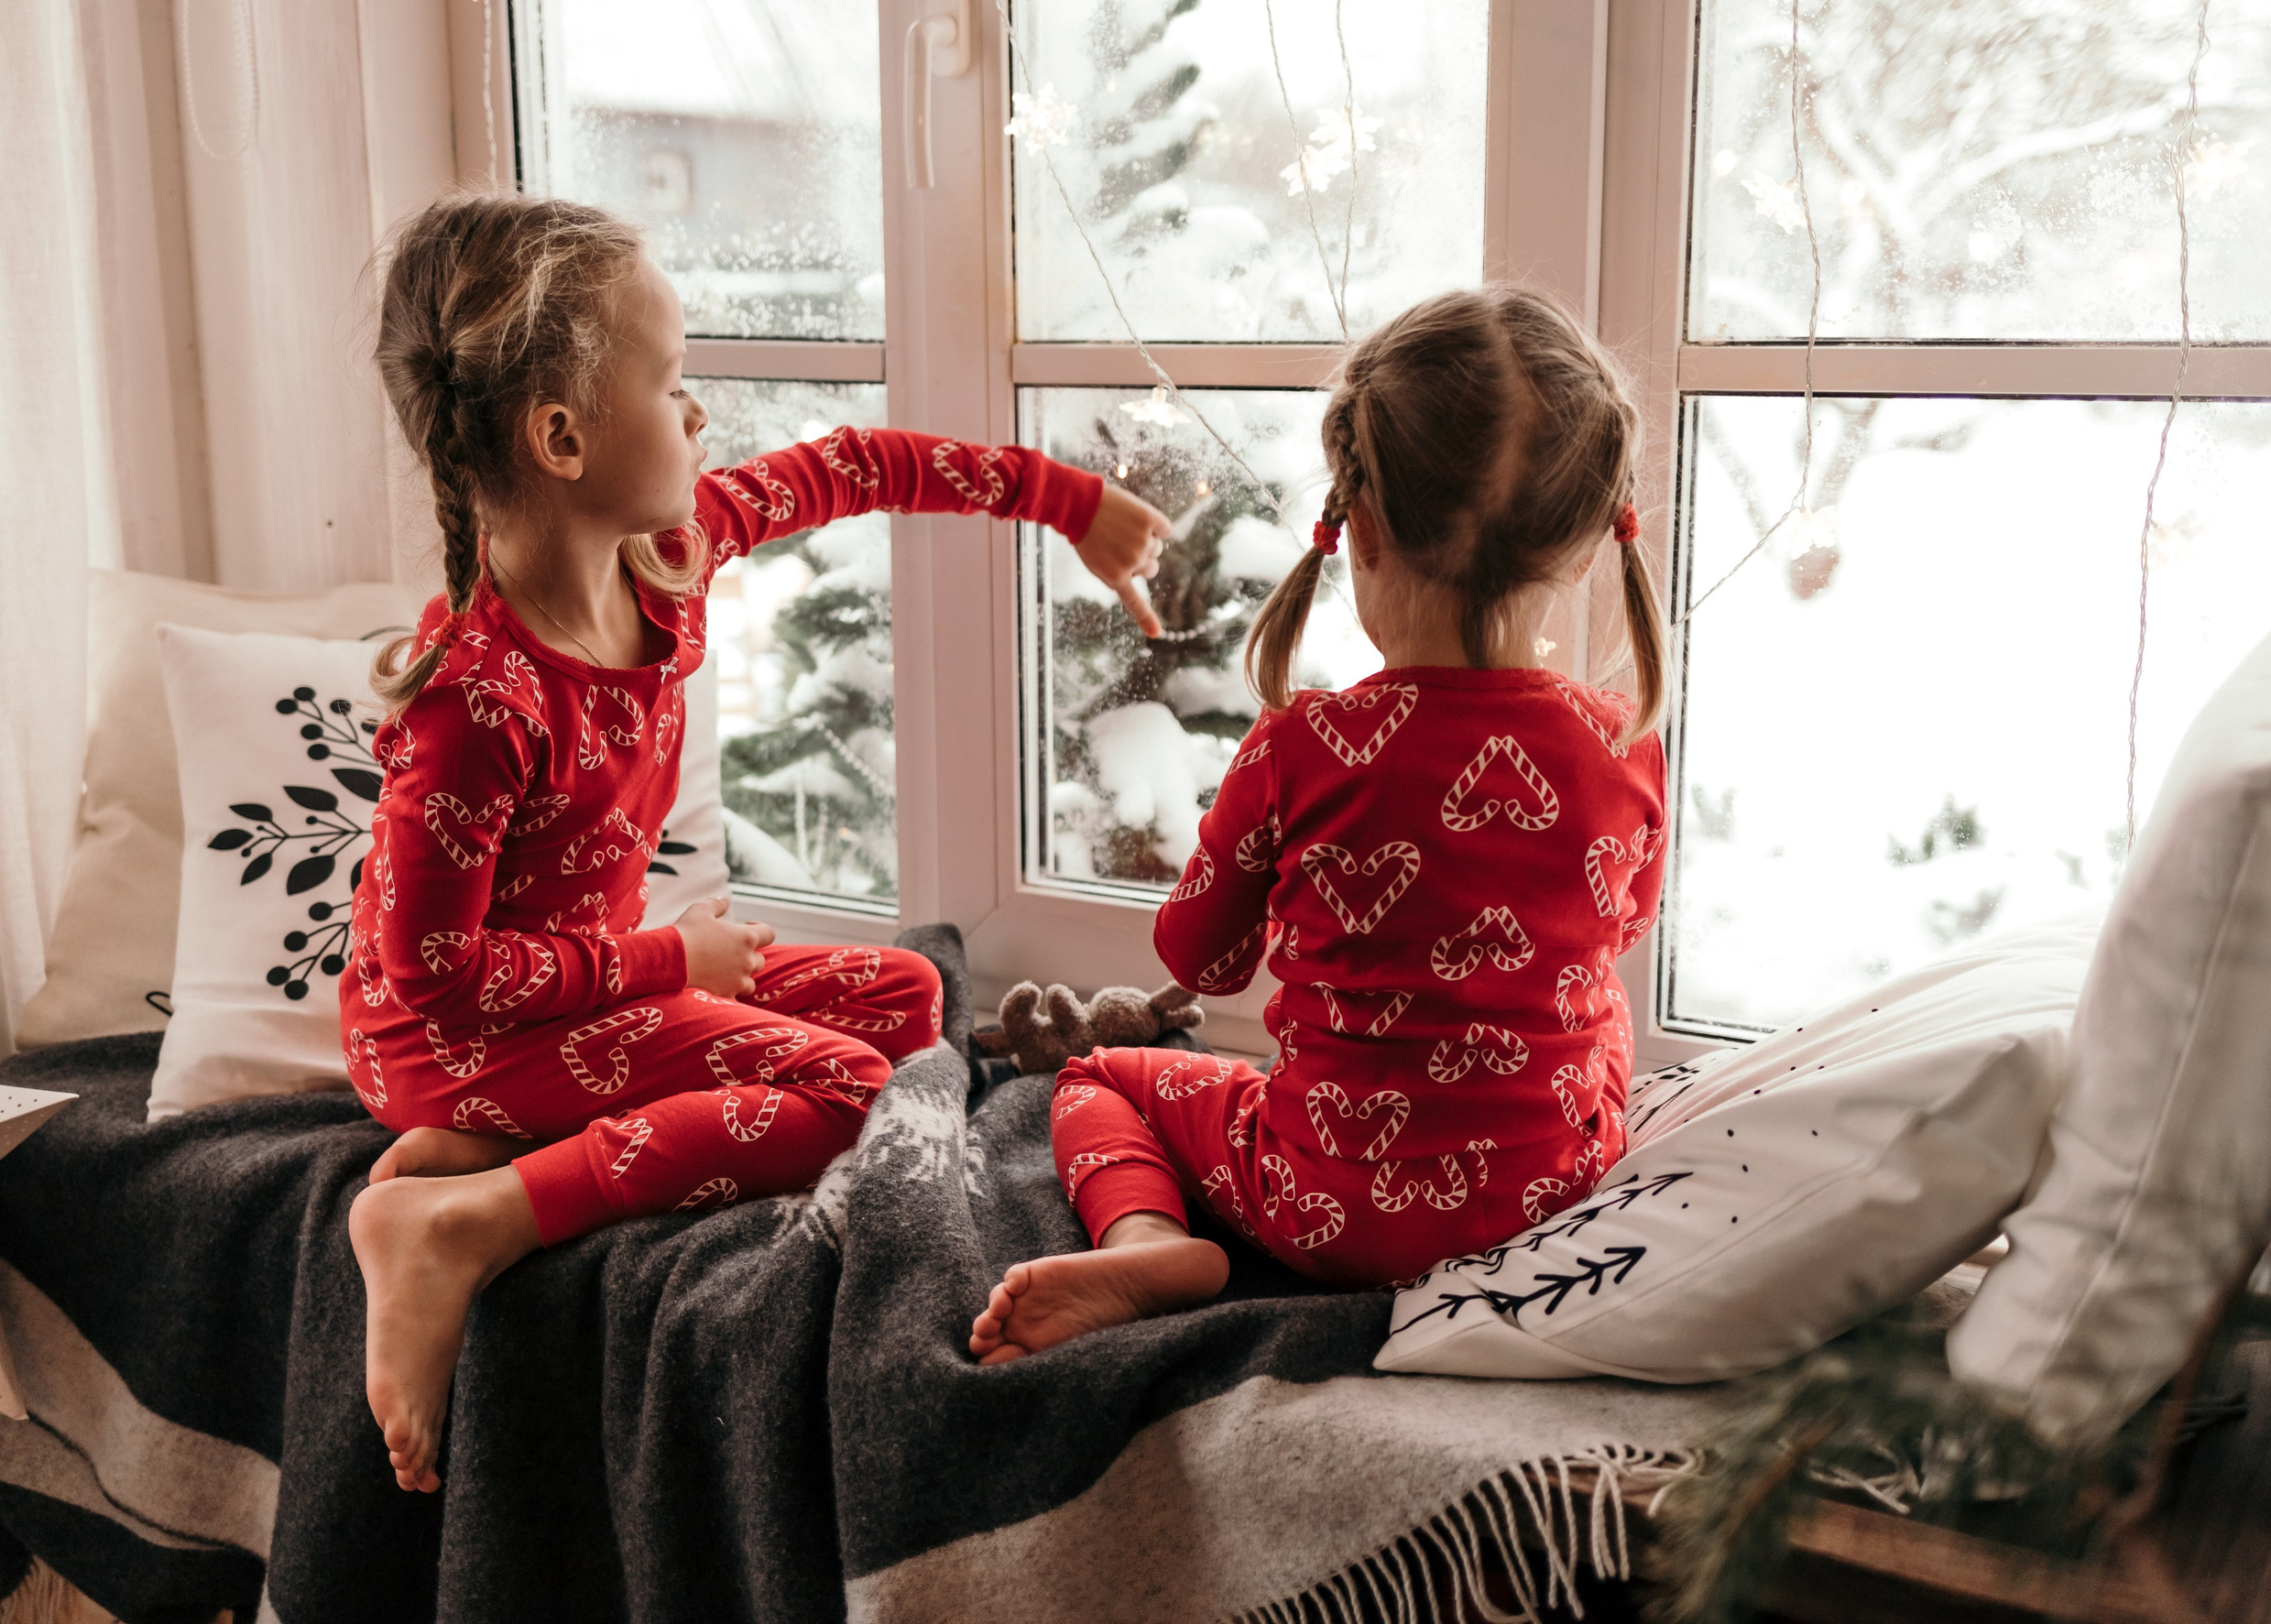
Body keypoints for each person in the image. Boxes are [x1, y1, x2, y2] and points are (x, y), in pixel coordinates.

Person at [344, 191, 1170, 1490]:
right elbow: (432, 980)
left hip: (581, 1000)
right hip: (449, 1043)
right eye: (672, 383)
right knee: (849, 1091)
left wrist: (1064, 502)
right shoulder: (476, 699)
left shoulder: (673, 551)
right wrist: (669, 966)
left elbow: (854, 466)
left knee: (908, 996)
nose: (698, 414)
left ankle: (514, 1148)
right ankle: (461, 1218)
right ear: (561, 435)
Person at [969, 287, 1669, 1364]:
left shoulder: (1305, 744)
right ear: (1582, 548)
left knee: (1097, 1077)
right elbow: (1612, 935)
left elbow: (1196, 962)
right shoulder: (1622, 744)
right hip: (1545, 1199)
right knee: (1605, 1011)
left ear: (1362, 531)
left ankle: (1150, 1239)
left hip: (1320, 1209)